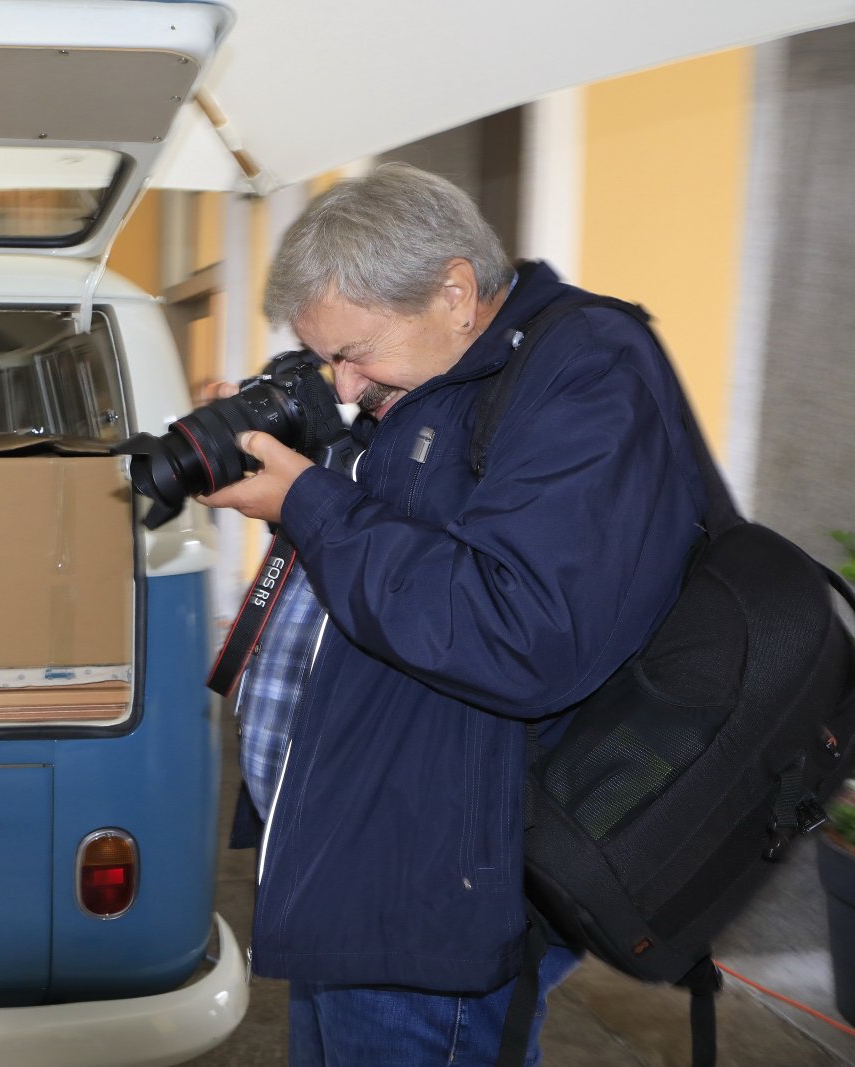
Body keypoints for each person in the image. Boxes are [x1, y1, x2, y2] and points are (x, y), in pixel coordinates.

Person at [198, 163, 706, 1066]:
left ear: (456, 292)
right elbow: (401, 545)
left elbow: (519, 630)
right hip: (351, 859)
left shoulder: (586, 372)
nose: (343, 385)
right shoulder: (432, 375)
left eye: (355, 352)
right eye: (327, 358)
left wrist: (309, 500)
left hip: (438, 891)